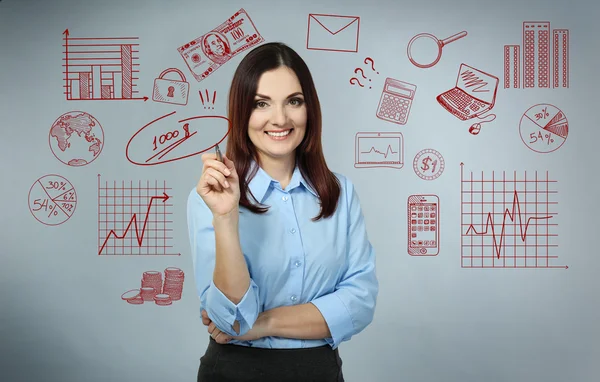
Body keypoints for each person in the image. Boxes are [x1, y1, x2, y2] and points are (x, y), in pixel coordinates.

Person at [186, 42, 379, 382]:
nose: (280, 119)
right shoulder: (211, 197)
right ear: (241, 112)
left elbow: (359, 303)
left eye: (294, 101)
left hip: (319, 373)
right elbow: (229, 320)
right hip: (233, 373)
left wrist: (263, 323)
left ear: (309, 108)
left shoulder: (340, 193)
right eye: (261, 104)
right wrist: (226, 219)